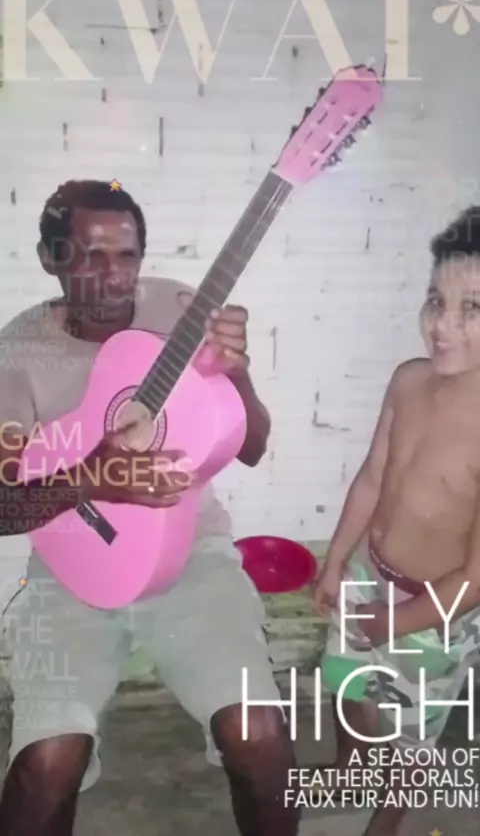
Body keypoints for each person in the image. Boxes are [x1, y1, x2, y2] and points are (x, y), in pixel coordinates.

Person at [0, 180, 299, 836]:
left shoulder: (179, 310)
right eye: (90, 255)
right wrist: (89, 479)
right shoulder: (17, 352)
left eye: (127, 255)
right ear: (50, 256)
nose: (114, 277)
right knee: (45, 765)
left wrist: (235, 370)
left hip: (191, 556)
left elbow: (251, 448)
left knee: (260, 738)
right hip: (72, 566)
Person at [314, 206, 480, 836]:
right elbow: (372, 477)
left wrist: (396, 622)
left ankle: (387, 819)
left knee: (412, 734)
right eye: (436, 300)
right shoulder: (407, 380)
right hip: (368, 572)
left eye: (472, 308)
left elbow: (475, 577)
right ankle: (349, 765)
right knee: (344, 681)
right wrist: (336, 562)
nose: (443, 325)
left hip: (434, 614)